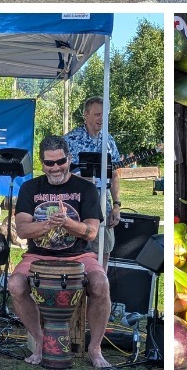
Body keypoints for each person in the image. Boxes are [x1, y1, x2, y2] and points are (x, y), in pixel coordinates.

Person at [9, 136, 111, 369]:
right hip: (38, 255)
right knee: (15, 284)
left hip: (79, 255)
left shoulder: (85, 188)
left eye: (60, 161)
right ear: (42, 163)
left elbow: (91, 232)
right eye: (49, 163)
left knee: (100, 283)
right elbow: (23, 230)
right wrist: (46, 224)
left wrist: (66, 223)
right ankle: (41, 342)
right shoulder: (29, 188)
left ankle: (95, 348)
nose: (55, 168)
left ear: (69, 158)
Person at [65, 97, 122, 271]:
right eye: (97, 114)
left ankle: (100, 287)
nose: (101, 119)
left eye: (104, 115)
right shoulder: (69, 140)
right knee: (77, 251)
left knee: (104, 248)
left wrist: (117, 205)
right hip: (76, 204)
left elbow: (114, 175)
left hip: (102, 203)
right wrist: (78, 179)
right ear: (86, 115)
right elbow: (56, 172)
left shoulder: (109, 141)